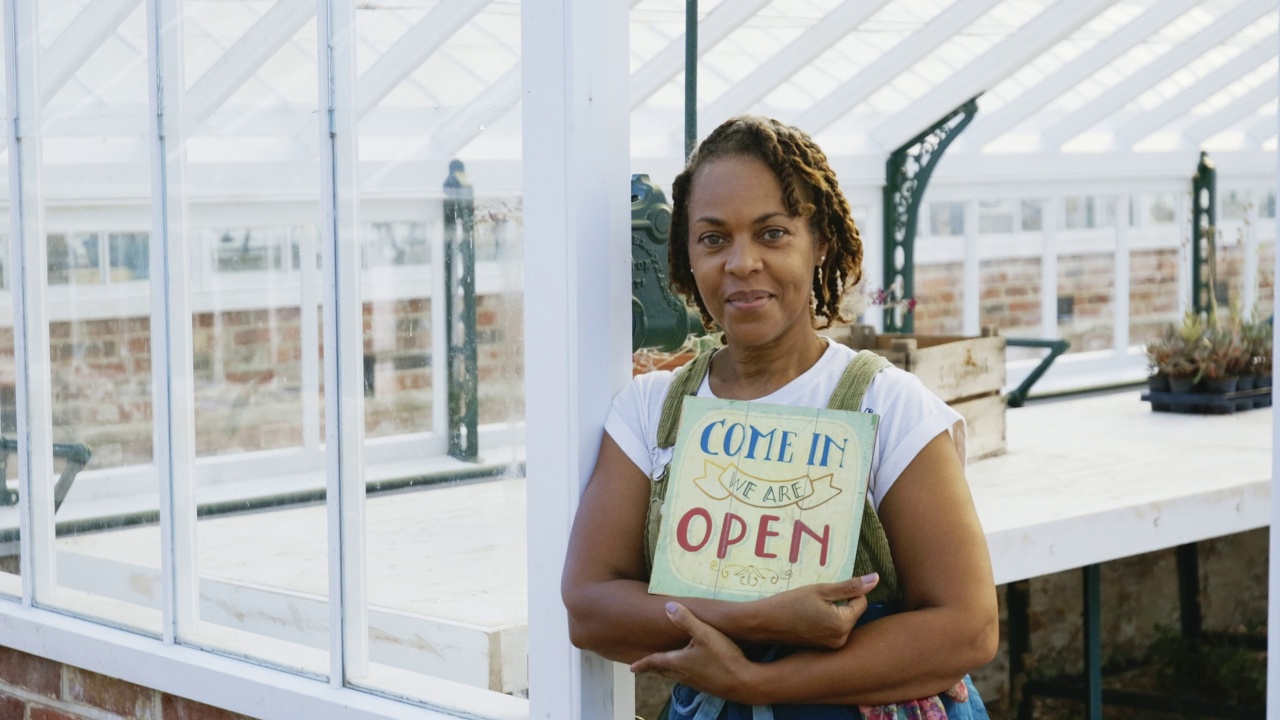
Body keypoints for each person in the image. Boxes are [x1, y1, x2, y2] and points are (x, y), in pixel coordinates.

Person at [561, 115, 998, 719]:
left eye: (771, 234)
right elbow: (589, 606)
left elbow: (967, 630)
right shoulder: (652, 409)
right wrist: (758, 618)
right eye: (713, 238)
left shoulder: (886, 404)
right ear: (688, 255)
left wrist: (760, 681)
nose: (742, 263)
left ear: (818, 242)